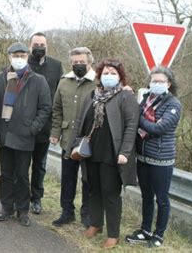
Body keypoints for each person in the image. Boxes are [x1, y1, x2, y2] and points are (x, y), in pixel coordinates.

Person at [67, 59, 139, 249]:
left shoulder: (126, 97)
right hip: (91, 152)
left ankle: (113, 234)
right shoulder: (92, 95)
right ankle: (95, 224)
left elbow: (132, 127)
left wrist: (125, 152)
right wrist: (72, 147)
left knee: (110, 193)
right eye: (105, 73)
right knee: (93, 189)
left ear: (120, 76)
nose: (109, 76)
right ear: (99, 76)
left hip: (112, 154)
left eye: (113, 73)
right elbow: (80, 121)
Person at [0, 42, 51, 227]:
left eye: (22, 55)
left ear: (27, 56)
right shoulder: (0, 77)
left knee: (22, 174)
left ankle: (23, 209)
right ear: (9, 56)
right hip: (5, 133)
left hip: (25, 135)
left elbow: (45, 108)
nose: (19, 59)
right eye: (15, 55)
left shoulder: (38, 80)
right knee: (5, 173)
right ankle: (6, 207)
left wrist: (32, 128)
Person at [126, 66, 181, 248]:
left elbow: (159, 129)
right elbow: (142, 121)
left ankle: (158, 235)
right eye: (154, 81)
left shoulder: (173, 104)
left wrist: (139, 118)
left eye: (161, 81)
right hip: (143, 157)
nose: (156, 84)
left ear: (169, 84)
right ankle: (145, 230)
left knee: (162, 199)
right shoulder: (146, 99)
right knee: (146, 196)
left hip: (161, 160)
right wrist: (143, 118)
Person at [50, 47, 94, 228]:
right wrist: (54, 133)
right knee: (68, 178)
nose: (78, 65)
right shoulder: (64, 82)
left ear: (89, 62)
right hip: (68, 138)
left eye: (82, 62)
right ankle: (67, 212)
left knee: (88, 180)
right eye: (75, 62)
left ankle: (87, 215)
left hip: (89, 140)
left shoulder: (98, 82)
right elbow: (57, 110)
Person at [27, 32, 63, 214]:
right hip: (25, 125)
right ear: (30, 46)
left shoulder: (56, 66)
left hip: (45, 125)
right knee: (22, 163)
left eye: (42, 44)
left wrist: (56, 127)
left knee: (40, 164)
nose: (39, 47)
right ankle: (22, 196)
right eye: (36, 44)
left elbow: (59, 96)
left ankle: (36, 198)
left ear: (47, 46)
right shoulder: (23, 64)